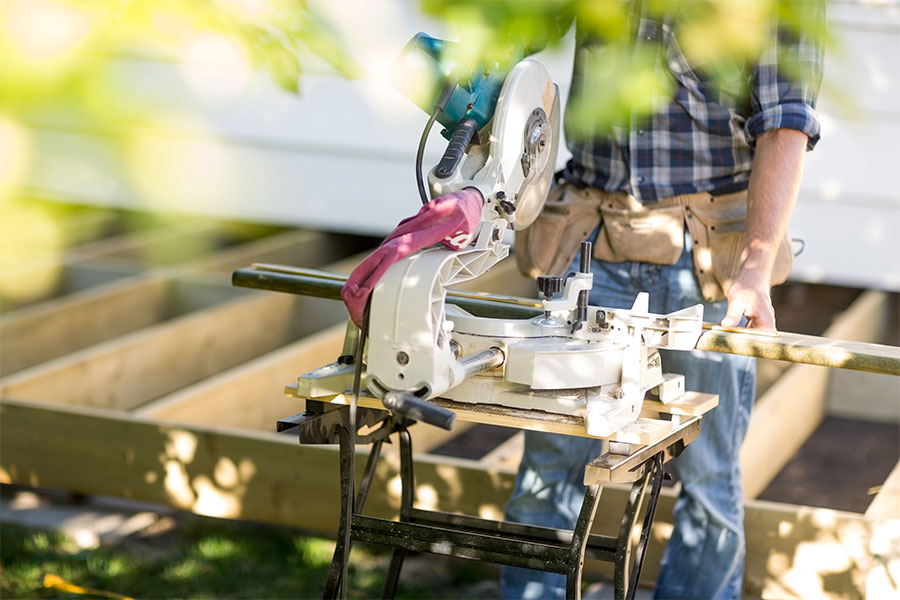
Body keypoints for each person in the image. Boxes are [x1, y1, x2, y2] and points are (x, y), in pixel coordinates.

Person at [504, 4, 824, 599]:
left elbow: (787, 121)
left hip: (703, 253)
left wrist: (755, 269)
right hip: (588, 238)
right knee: (550, 460)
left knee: (706, 478)